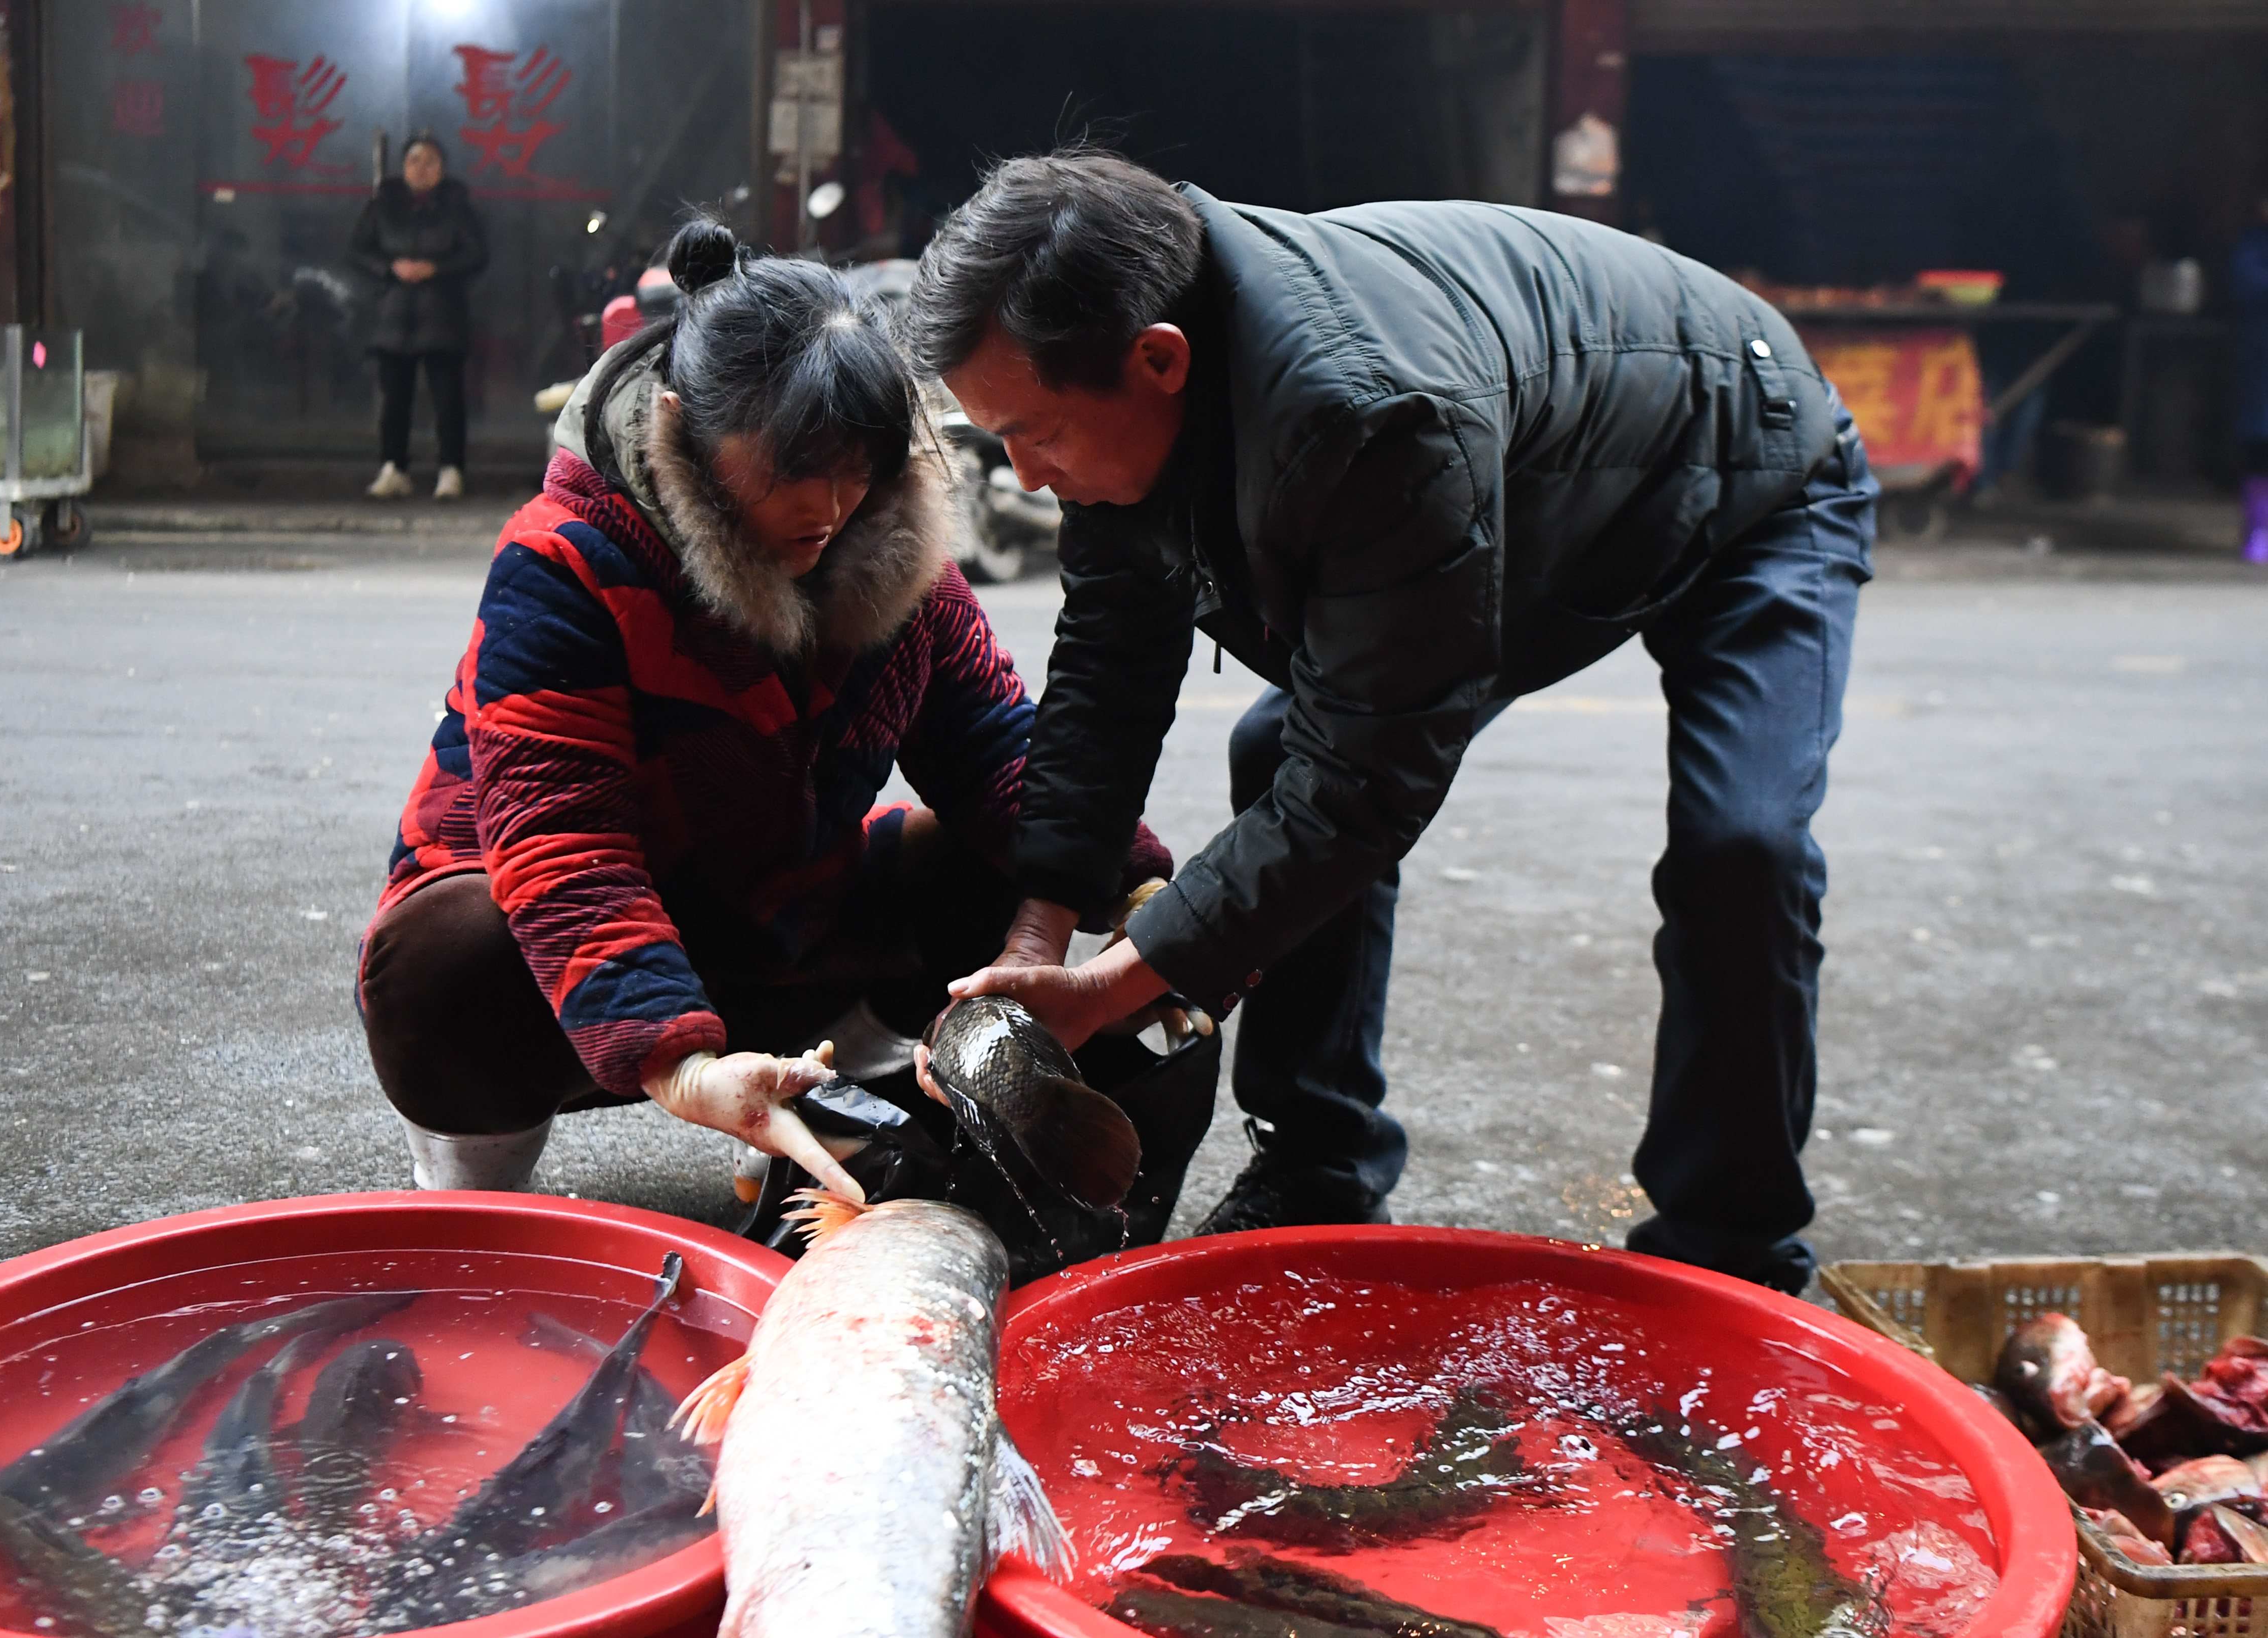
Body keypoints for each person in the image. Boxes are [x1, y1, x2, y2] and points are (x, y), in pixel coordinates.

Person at [906, 149, 1877, 1294]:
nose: (1021, 477)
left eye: (1036, 436)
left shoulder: (1370, 415)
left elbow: (1366, 785)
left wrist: (1114, 988)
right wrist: (1037, 936)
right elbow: (1111, 662)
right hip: (1542, 480)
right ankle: (1319, 1160)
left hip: (1748, 463)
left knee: (1741, 848)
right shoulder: (1131, 346)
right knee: (1274, 752)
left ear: (1157, 361)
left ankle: (1734, 1248)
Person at [358, 217, 1167, 1197]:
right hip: (553, 956)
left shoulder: (900, 563)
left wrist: (1142, 894)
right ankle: (476, 1188)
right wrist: (679, 1063)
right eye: (787, 470)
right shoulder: (566, 562)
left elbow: (1000, 750)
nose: (826, 509)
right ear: (678, 429)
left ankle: (835, 1092)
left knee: (990, 860)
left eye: (852, 467)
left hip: (777, 921)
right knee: (443, 964)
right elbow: (562, 837)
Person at [350, 135, 488, 501]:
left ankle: (451, 469)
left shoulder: (457, 205)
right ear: (403, 166)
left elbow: (477, 254)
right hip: (393, 315)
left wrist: (436, 269)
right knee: (394, 399)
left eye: (431, 161)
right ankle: (394, 467)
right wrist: (390, 268)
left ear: (442, 169)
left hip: (442, 315)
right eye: (414, 161)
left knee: (448, 399)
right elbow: (358, 250)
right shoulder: (383, 204)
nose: (421, 169)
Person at [2236, 194, 2268, 566]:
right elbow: (2246, 283)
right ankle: (2258, 529)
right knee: (2260, 448)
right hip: (2262, 362)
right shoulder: (2252, 245)